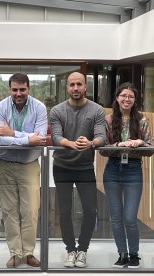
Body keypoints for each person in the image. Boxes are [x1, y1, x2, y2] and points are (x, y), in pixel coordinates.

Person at [50, 72, 106, 268]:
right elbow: (56, 137)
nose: (75, 88)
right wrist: (71, 144)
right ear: (67, 88)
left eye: (79, 84)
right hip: (62, 166)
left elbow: (102, 137)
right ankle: (70, 250)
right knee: (65, 212)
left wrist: (91, 142)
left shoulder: (97, 110)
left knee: (91, 211)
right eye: (72, 85)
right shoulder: (57, 110)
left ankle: (82, 249)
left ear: (85, 87)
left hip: (84, 167)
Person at [0, 73, 47, 268]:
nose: (18, 93)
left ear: (29, 89)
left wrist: (13, 133)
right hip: (4, 164)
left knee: (31, 211)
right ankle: (15, 253)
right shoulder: (1, 107)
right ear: (10, 89)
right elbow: (0, 139)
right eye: (14, 89)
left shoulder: (39, 107)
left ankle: (29, 253)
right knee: (9, 211)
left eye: (22, 89)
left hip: (29, 166)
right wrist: (26, 139)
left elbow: (39, 139)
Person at [99, 83, 153, 269]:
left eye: (130, 96)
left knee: (130, 217)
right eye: (123, 95)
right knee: (116, 216)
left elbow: (150, 150)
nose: (126, 99)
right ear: (117, 98)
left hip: (133, 169)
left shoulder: (142, 120)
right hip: (112, 169)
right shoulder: (107, 120)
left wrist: (140, 142)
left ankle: (134, 254)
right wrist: (118, 146)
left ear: (134, 100)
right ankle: (122, 253)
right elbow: (103, 150)